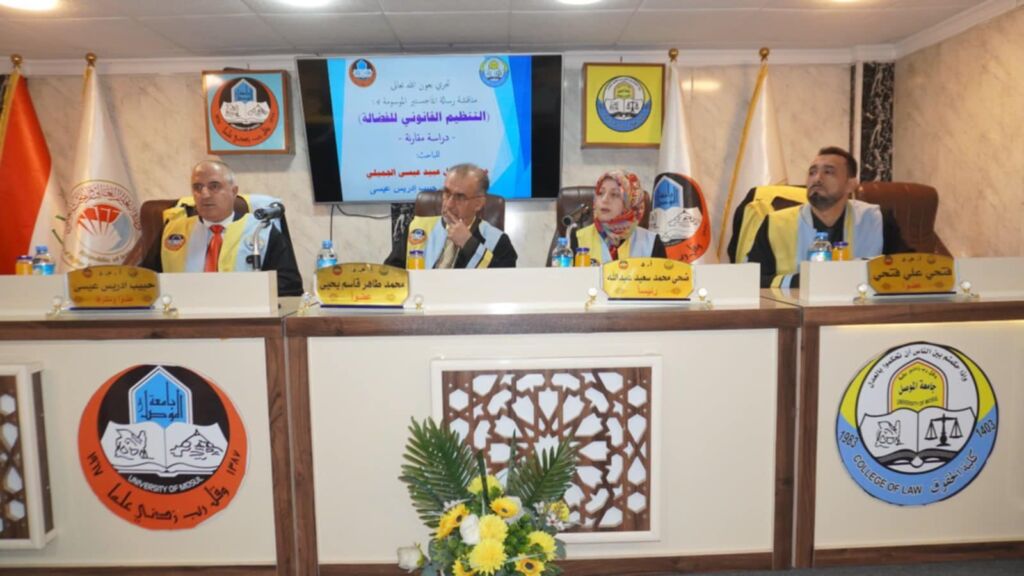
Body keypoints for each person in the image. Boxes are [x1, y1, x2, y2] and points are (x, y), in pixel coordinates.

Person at [745, 146, 907, 288]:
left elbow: (908, 271)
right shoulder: (776, 224)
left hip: (859, 310)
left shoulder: (876, 221)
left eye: (828, 172)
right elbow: (751, 279)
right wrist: (801, 281)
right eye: (812, 172)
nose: (817, 178)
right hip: (795, 310)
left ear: (850, 184)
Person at [141, 160, 303, 296]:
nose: (204, 195)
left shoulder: (261, 230)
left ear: (234, 191)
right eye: (197, 187)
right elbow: (145, 282)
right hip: (183, 319)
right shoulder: (173, 231)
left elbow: (290, 286)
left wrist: (242, 293)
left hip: (243, 318)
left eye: (214, 186)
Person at [385, 163, 517, 269]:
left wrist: (469, 244)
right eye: (446, 193)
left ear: (478, 203)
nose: (449, 204)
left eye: (460, 197)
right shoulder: (417, 228)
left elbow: (505, 283)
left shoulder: (498, 241)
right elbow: (391, 274)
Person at [571, 169, 666, 263]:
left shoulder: (652, 243)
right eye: (600, 193)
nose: (604, 200)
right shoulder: (578, 239)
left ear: (631, 203)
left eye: (614, 194)